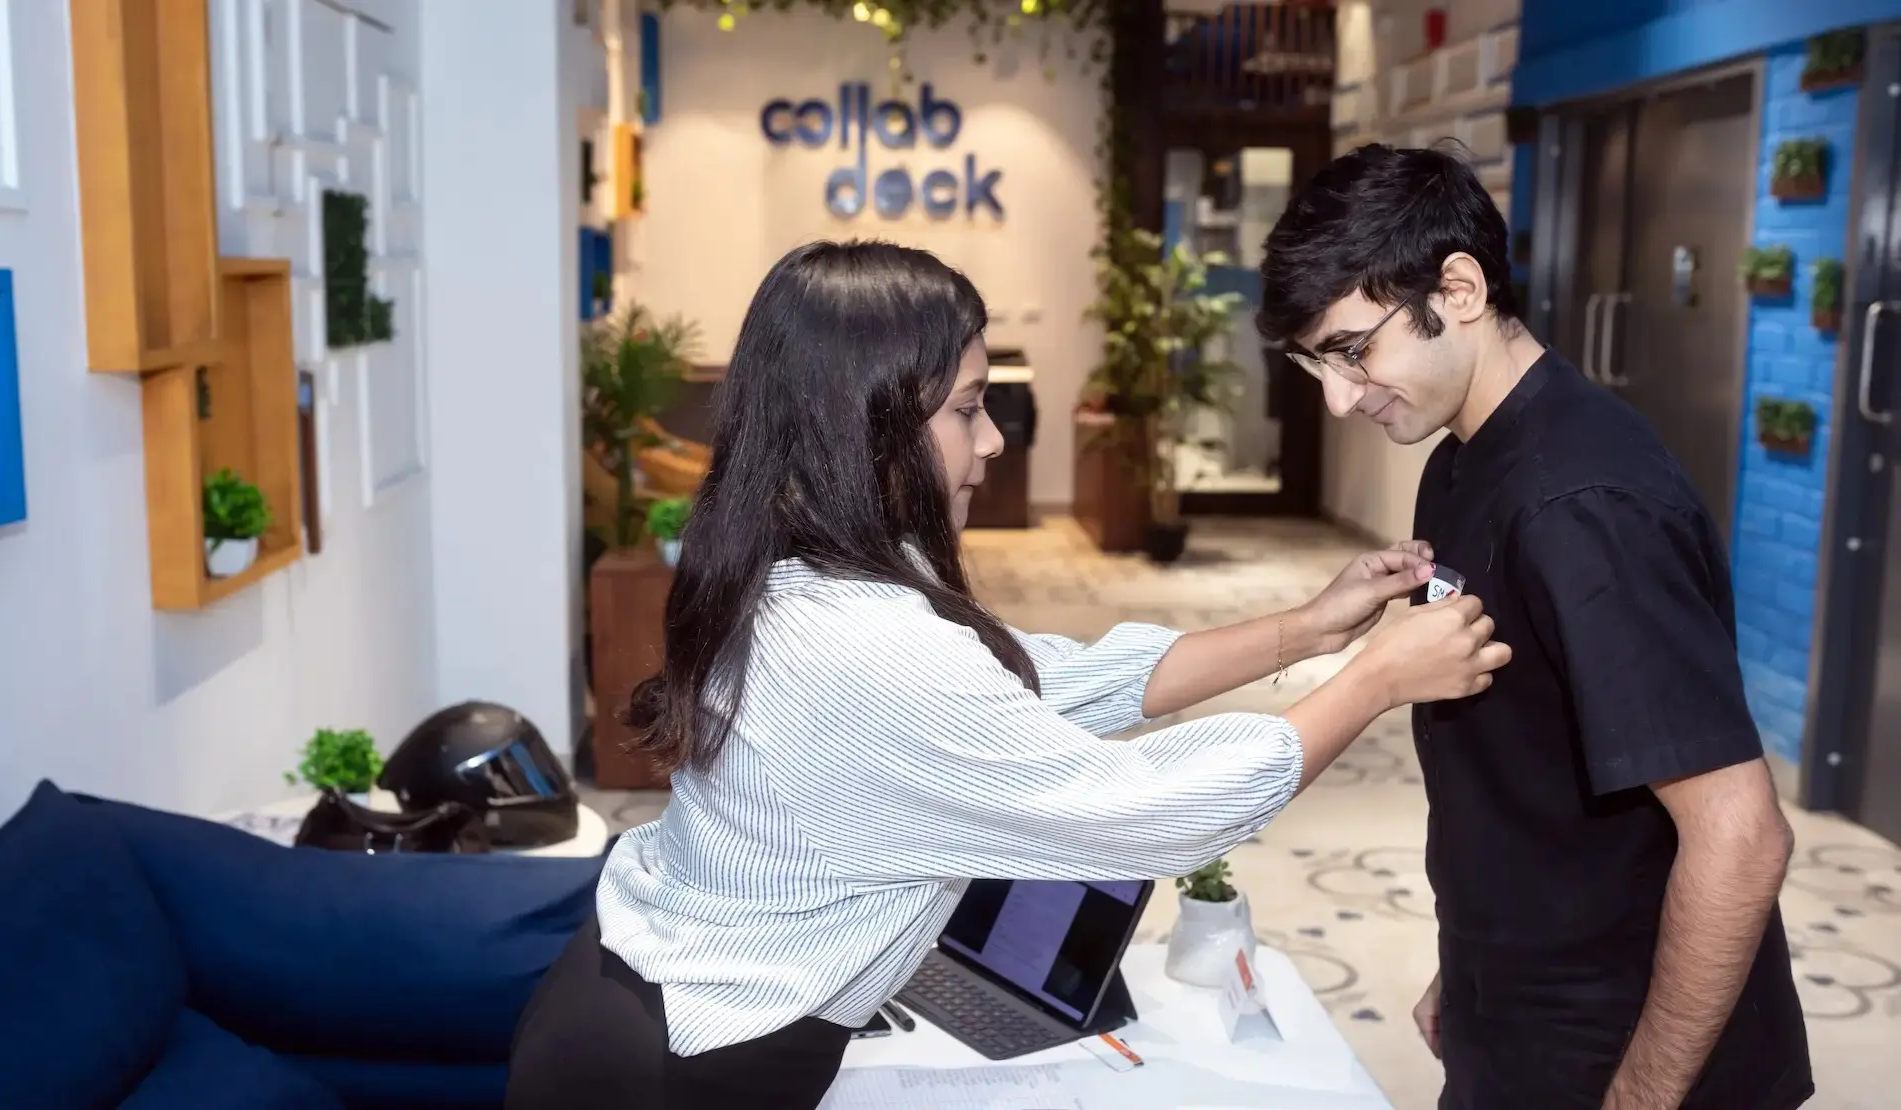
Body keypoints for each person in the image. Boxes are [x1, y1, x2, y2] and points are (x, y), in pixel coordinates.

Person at [505, 239, 1509, 1110]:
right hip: (672, 1064)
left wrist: (1305, 630)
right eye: (969, 410)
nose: (991, 441)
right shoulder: (858, 644)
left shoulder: (810, 563)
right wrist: (1376, 679)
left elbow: (1042, 680)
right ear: (866, 425)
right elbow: (1149, 811)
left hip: (632, 994)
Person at [1256, 142, 1812, 1110]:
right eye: (1317, 364)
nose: (1339, 398)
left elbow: (1741, 836)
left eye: (1353, 351)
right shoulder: (1463, 457)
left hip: (1628, 1046)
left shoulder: (1582, 504)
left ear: (1458, 290)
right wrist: (1472, 968)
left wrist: (1638, 1098)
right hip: (1520, 1004)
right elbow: (1520, 755)